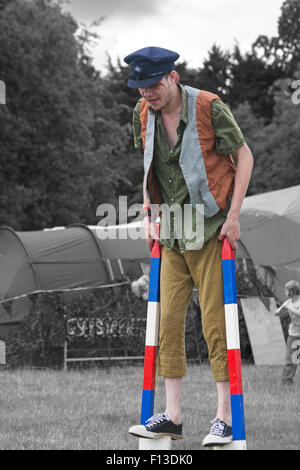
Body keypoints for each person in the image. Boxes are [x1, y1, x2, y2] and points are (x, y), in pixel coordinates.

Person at [124, 46, 254, 447]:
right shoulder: (141, 113)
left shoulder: (210, 107)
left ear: (173, 77)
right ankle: (173, 416)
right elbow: (152, 165)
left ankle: (223, 419)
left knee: (215, 322)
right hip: (170, 229)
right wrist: (148, 207)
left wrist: (233, 216)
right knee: (167, 322)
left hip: (212, 227)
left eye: (153, 85)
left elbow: (244, 156)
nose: (147, 93)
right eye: (141, 86)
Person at [275, 280, 300, 384]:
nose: (285, 292)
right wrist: (280, 310)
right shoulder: (288, 302)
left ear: (292, 292)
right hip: (293, 335)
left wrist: (289, 307)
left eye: (286, 290)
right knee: (290, 359)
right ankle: (287, 381)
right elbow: (276, 313)